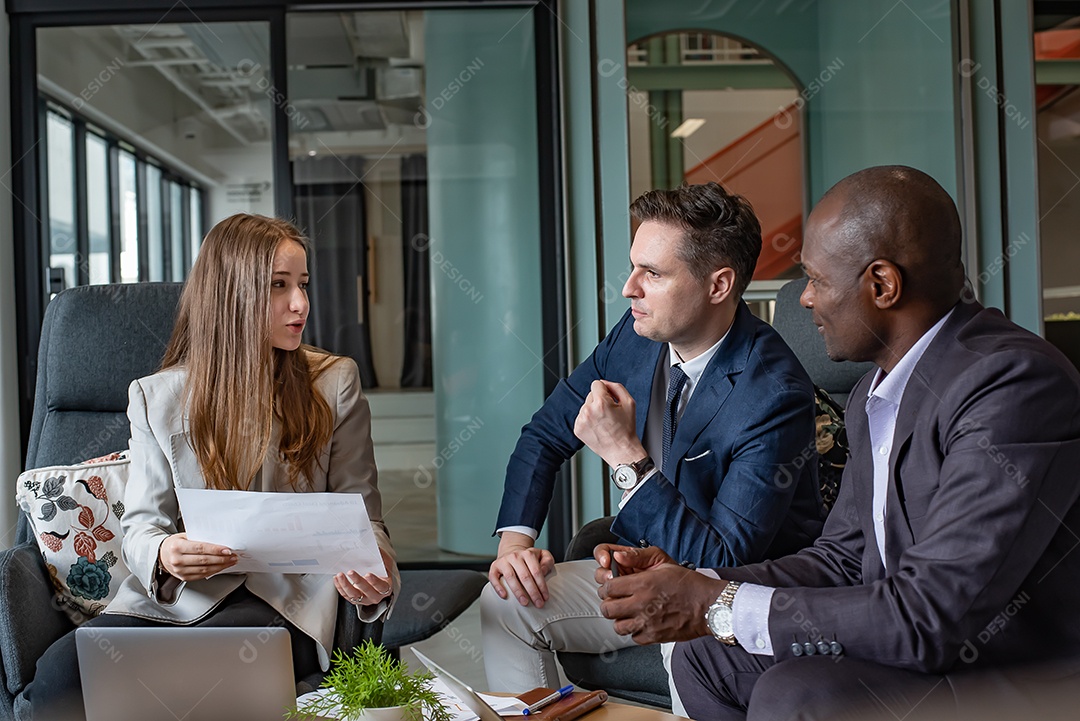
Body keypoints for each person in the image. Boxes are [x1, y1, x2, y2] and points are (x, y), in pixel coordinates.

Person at [593, 166, 1080, 720]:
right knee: (705, 657)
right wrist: (694, 584)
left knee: (796, 692)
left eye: (816, 281)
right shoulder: (876, 389)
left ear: (881, 285)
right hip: (921, 644)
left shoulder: (1011, 385)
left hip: (1015, 669)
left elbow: (938, 613)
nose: (804, 301)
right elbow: (844, 558)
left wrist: (717, 606)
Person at [26, 214, 400, 720]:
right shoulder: (156, 397)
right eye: (279, 286)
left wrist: (374, 569)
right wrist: (166, 553)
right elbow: (143, 525)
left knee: (219, 666)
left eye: (303, 285)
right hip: (180, 600)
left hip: (285, 601)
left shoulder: (335, 383)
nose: (301, 305)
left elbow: (366, 517)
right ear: (232, 294)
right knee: (59, 675)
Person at [481, 182, 825, 699]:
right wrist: (515, 546)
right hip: (642, 568)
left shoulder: (773, 393)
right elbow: (543, 436)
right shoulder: (636, 335)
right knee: (504, 602)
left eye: (653, 274)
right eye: (633, 266)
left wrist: (624, 456)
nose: (629, 288)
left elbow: (723, 557)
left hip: (727, 597)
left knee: (684, 648)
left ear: (718, 285)